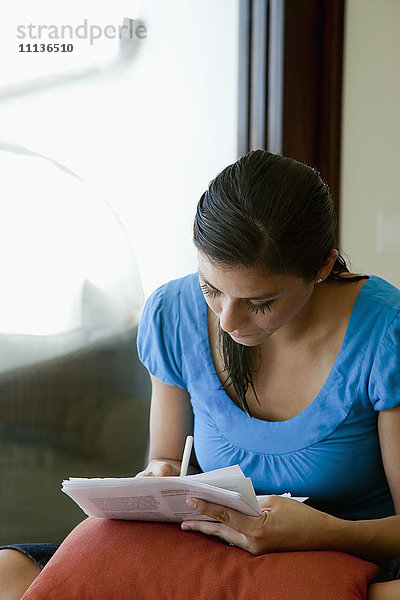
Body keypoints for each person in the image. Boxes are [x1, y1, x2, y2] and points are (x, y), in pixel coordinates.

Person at [1, 150, 399, 600]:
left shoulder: (386, 334)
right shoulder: (175, 312)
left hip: (348, 555)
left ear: (323, 267)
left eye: (261, 302)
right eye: (211, 288)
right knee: (7, 572)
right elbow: (167, 461)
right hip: (214, 545)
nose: (228, 320)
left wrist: (321, 533)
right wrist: (158, 477)